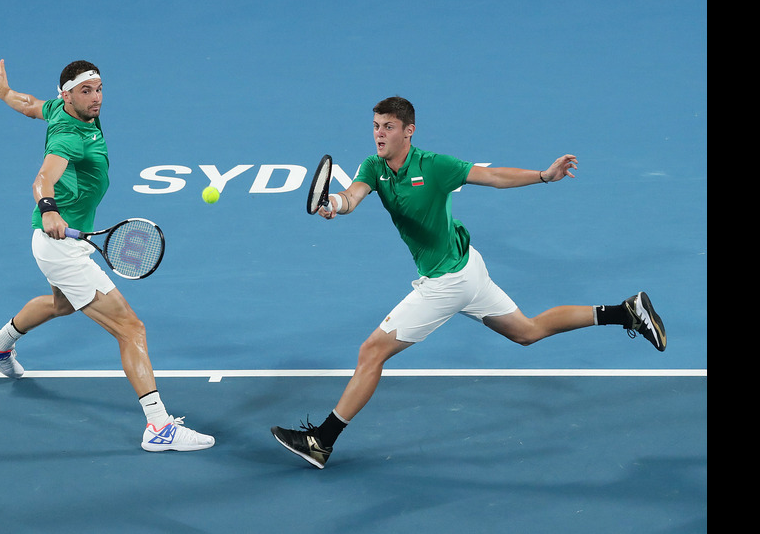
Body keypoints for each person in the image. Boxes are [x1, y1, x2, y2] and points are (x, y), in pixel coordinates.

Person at [271, 96, 665, 469]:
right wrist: (334, 206)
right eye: (375, 126)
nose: (379, 134)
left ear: (408, 131)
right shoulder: (373, 167)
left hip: (447, 282)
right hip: (469, 268)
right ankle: (626, 312)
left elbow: (491, 176)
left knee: (371, 351)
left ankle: (322, 440)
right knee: (527, 332)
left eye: (388, 127)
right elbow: (352, 197)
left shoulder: (435, 166)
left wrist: (544, 176)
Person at [0, 59, 214, 452]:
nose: (96, 97)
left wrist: (3, 92)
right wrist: (48, 206)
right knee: (131, 329)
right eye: (87, 91)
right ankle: (159, 427)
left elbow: (31, 103)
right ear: (69, 94)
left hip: (61, 243)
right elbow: (43, 178)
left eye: (99, 88)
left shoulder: (62, 108)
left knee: (61, 305)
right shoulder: (68, 137)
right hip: (59, 245)